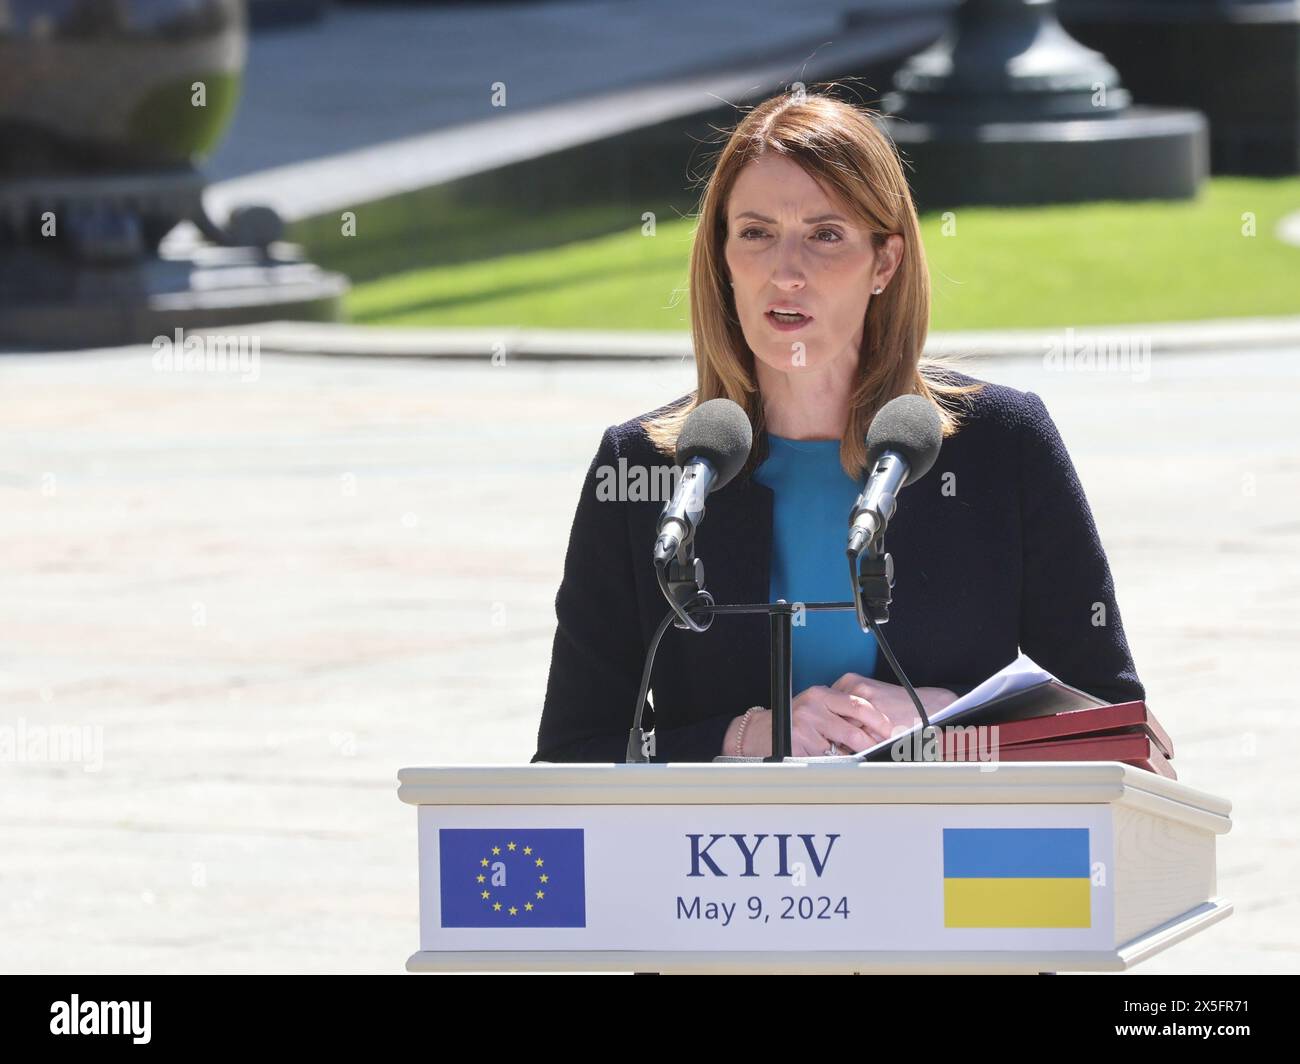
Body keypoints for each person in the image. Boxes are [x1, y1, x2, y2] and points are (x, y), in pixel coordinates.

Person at [531, 89, 1144, 764]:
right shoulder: (647, 466)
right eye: (757, 233)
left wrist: (933, 718)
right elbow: (571, 753)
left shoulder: (1003, 442)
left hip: (950, 860)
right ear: (722, 257)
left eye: (825, 235)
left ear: (885, 262)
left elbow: (1119, 731)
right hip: (721, 865)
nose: (785, 272)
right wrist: (745, 737)